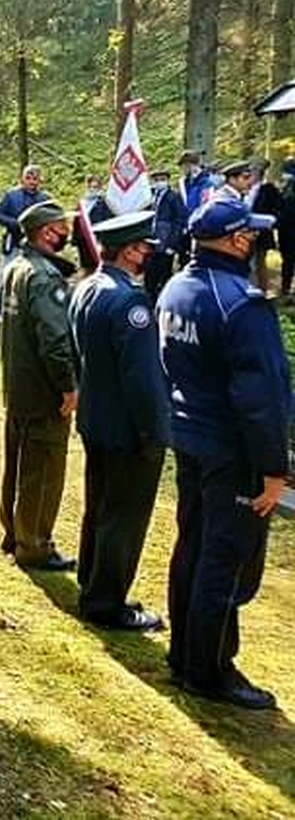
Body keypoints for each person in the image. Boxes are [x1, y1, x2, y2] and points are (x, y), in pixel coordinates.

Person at [157, 197, 289, 709]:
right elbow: (262, 399)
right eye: (250, 234)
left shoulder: (176, 287)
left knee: (192, 544)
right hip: (232, 451)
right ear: (237, 240)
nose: (255, 241)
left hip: (190, 437)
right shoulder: (242, 304)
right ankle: (210, 671)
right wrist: (275, 469)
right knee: (224, 558)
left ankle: (184, 654)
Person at [66, 211, 170, 631]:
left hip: (96, 419)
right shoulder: (130, 302)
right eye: (144, 248)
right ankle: (106, 603)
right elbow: (143, 379)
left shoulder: (86, 287)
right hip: (127, 429)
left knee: (100, 508)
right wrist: (154, 431)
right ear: (129, 251)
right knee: (123, 518)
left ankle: (92, 582)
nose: (148, 256)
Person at [0, 199, 78, 572]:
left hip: (18, 385)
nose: (67, 235)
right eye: (62, 228)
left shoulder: (15, 267)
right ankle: (34, 546)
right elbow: (55, 339)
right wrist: (68, 385)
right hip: (43, 391)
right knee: (43, 471)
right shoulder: (44, 276)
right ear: (47, 232)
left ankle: (14, 533)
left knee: (17, 465)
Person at [0, 164, 50, 324]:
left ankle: (30, 313)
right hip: (13, 244)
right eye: (28, 178)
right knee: (4, 278)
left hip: (36, 247)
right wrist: (15, 224)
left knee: (34, 280)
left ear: (39, 181)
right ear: (22, 179)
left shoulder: (45, 199)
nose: (32, 182)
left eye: (35, 179)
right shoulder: (11, 196)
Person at [146, 168, 187, 301]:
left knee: (164, 275)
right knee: (150, 275)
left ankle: (164, 301)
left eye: (162, 179)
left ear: (168, 180)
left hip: (166, 243)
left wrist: (172, 244)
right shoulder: (151, 196)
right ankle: (151, 300)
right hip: (152, 242)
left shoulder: (173, 197)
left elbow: (180, 221)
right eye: (156, 180)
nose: (159, 182)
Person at [248, 160, 280, 292]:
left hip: (261, 233)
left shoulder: (268, 190)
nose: (250, 175)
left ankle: (261, 292)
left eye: (253, 172)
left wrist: (265, 226)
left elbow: (276, 212)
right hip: (245, 232)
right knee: (249, 264)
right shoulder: (245, 189)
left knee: (259, 263)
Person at [278, 159, 295, 298]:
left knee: (288, 260)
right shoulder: (286, 187)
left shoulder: (287, 188)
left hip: (288, 229)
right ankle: (285, 288)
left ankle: (286, 288)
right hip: (286, 229)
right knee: (287, 260)